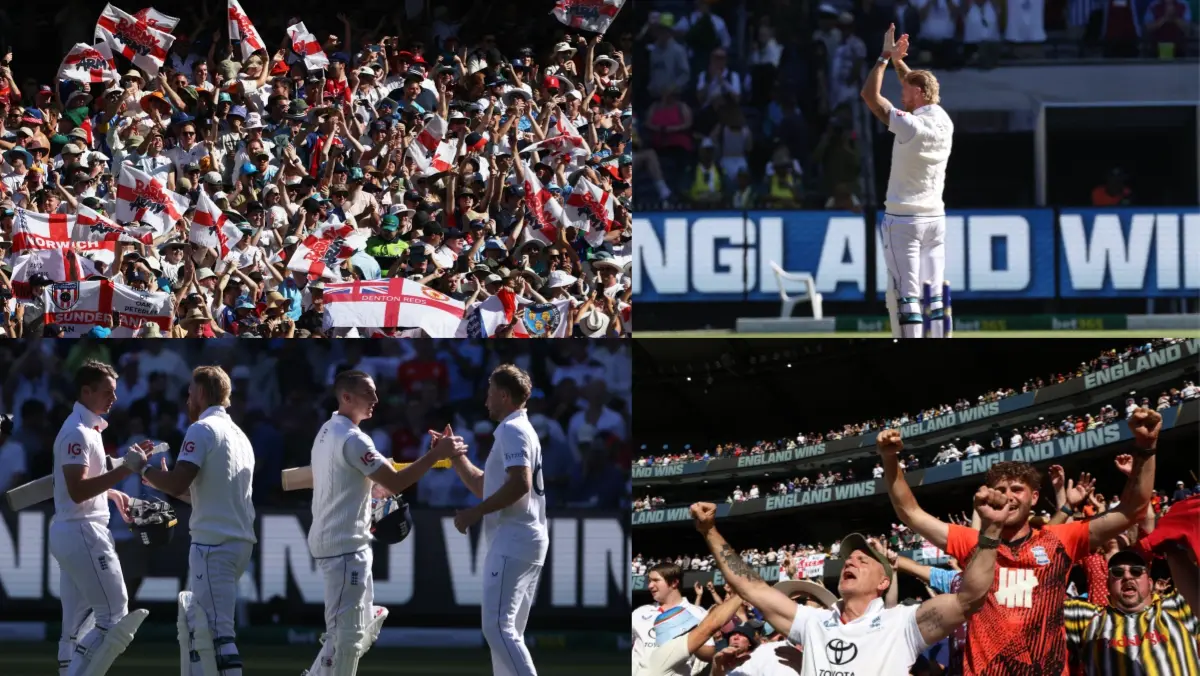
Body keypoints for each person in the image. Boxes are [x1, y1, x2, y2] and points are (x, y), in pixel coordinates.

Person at [875, 407, 1162, 676]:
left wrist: (1146, 448)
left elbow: (1132, 508)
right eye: (1000, 489)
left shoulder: (1060, 539)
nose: (1008, 495)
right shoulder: (973, 542)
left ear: (1034, 497)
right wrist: (890, 460)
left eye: (1017, 489)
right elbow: (910, 513)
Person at [687, 482, 1012, 676]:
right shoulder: (812, 623)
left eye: (863, 559)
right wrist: (709, 531)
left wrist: (991, 532)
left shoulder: (901, 624)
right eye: (848, 558)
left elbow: (969, 598)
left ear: (884, 582)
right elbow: (750, 586)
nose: (851, 561)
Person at [302, 370, 467, 674]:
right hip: (343, 544)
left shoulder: (326, 430)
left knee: (346, 634)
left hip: (343, 542)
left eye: (376, 392)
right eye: (368, 393)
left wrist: (373, 484)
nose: (376, 399)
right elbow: (396, 482)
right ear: (346, 397)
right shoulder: (353, 439)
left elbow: (368, 481)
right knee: (347, 638)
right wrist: (436, 456)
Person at [140, 366, 256, 676]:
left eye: (191, 393)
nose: (188, 400)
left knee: (216, 632)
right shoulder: (239, 435)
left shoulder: (202, 430)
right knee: (198, 627)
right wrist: (159, 481)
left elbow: (178, 484)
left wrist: (142, 470)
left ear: (202, 394)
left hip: (213, 545)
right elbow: (200, 494)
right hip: (236, 542)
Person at [50, 360, 151, 675]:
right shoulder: (77, 433)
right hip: (83, 531)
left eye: (115, 392)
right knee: (114, 615)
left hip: (74, 530)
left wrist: (113, 492)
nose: (114, 399)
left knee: (75, 626)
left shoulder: (87, 429)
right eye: (107, 392)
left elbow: (78, 484)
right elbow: (78, 490)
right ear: (86, 391)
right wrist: (125, 470)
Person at [448, 364, 547, 676]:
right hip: (524, 538)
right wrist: (456, 456)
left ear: (504, 396)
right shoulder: (519, 429)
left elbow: (520, 484)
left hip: (514, 538)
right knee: (507, 632)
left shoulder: (513, 430)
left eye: (490, 393)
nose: (486, 400)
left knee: (497, 628)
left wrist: (474, 514)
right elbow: (484, 486)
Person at [860, 25, 954, 339]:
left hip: (904, 220)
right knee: (936, 297)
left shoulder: (909, 126)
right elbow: (917, 88)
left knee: (908, 297)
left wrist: (885, 58)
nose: (901, 93)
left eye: (906, 91)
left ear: (918, 95)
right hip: (935, 219)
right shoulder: (943, 120)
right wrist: (903, 63)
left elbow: (870, 97)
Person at [1064, 548, 1200, 674]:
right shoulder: (1086, 618)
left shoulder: (1178, 606)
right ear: (1108, 585)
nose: (1127, 577)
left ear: (1150, 583)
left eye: (1136, 571)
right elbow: (1045, 599)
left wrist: (1173, 550)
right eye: (1117, 572)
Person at [640, 591, 747, 676]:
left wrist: (718, 668)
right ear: (682, 633)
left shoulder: (672, 659)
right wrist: (742, 592)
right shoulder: (666, 653)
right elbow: (711, 625)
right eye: (693, 628)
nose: (696, 631)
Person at [632, 562, 712, 674]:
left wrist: (689, 635)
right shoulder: (639, 613)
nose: (650, 585)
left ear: (674, 583)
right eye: (649, 581)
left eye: (656, 580)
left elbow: (710, 653)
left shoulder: (698, 613)